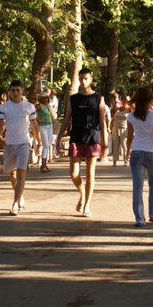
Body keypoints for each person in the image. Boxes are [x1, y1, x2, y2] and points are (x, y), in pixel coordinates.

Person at [58, 68, 107, 217]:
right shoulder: (73, 99)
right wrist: (58, 138)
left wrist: (105, 144)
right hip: (76, 138)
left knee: (90, 173)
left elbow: (102, 122)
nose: (83, 82)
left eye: (85, 78)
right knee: (74, 173)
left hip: (93, 138)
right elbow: (67, 119)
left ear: (91, 79)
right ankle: (82, 194)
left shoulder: (99, 98)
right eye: (80, 79)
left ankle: (87, 205)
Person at [125, 86, 153, 227]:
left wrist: (127, 152)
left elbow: (130, 137)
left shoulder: (131, 116)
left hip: (136, 152)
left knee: (137, 186)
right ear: (150, 100)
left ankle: (139, 219)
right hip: (152, 152)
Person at [0, 80, 40, 215]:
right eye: (13, 90)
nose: (15, 93)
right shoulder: (4, 107)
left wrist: (39, 142)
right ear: (9, 91)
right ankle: (19, 196)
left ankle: (15, 204)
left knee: (21, 173)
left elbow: (34, 126)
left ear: (22, 91)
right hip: (10, 143)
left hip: (23, 143)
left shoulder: (29, 107)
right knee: (13, 174)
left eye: (17, 90)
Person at [35, 92, 55, 172]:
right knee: (46, 144)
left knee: (47, 145)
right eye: (43, 98)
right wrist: (37, 118)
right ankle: (43, 164)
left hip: (50, 126)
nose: (45, 99)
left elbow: (51, 114)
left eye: (46, 97)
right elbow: (31, 111)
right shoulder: (39, 106)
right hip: (42, 126)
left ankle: (44, 164)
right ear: (41, 98)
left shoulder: (49, 106)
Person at [109, 93, 130, 166]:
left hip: (124, 128)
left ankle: (126, 160)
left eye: (126, 100)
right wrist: (110, 127)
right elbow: (113, 117)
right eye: (123, 99)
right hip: (115, 127)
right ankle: (115, 160)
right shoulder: (118, 108)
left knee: (124, 144)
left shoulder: (129, 110)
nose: (124, 101)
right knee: (115, 144)